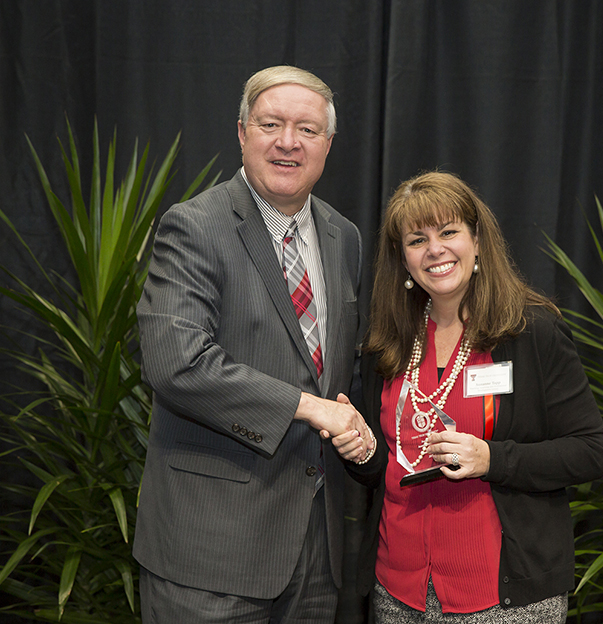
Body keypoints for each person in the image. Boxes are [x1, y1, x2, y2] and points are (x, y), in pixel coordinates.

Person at [134, 65, 374, 623]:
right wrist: (309, 408)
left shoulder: (344, 237)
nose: (288, 142)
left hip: (317, 556)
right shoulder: (193, 226)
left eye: (307, 130)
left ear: (329, 145)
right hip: (210, 556)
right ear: (242, 134)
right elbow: (178, 363)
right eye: (271, 124)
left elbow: (341, 373)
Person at [338, 171, 603, 623]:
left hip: (502, 598)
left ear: (477, 240)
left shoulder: (531, 332)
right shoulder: (386, 343)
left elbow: (590, 453)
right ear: (403, 259)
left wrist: (492, 460)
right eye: (417, 240)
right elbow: (386, 467)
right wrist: (359, 450)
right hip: (397, 592)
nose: (435, 250)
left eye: (449, 233)